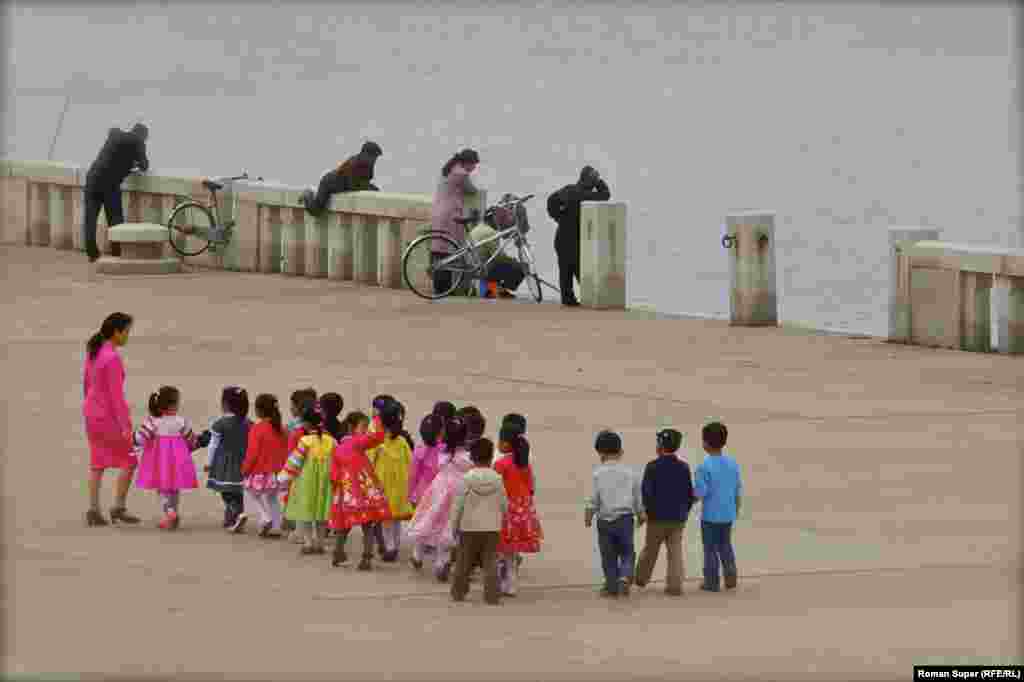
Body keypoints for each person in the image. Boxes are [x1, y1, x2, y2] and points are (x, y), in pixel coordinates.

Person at [82, 312, 140, 527]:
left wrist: (90, 407)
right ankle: (118, 507)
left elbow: (86, 383)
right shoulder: (112, 357)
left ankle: (93, 509)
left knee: (97, 463)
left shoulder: (94, 351)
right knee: (130, 460)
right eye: (126, 332)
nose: (127, 336)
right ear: (116, 332)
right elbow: (116, 397)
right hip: (108, 416)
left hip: (91, 413)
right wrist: (125, 425)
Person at [406, 416, 473, 582]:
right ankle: (441, 563)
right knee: (448, 528)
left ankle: (418, 554)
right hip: (457, 493)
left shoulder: (443, 453)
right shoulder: (466, 456)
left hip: (438, 490)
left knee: (428, 521)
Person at [585, 430, 645, 597]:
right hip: (625, 520)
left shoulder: (598, 474)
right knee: (627, 551)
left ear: (600, 453)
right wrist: (641, 513)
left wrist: (589, 514)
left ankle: (611, 586)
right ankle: (625, 576)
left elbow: (594, 498)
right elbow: (637, 497)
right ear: (621, 451)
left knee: (608, 556)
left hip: (605, 521)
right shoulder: (630, 473)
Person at [634, 429, 694, 596]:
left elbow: (646, 492)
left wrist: (645, 512)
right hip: (677, 518)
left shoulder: (652, 467)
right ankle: (675, 585)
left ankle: (641, 578)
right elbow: (689, 493)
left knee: (650, 549)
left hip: (656, 518)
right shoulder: (684, 467)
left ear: (660, 445)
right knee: (675, 552)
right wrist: (685, 511)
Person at [133, 386, 202, 530]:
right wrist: (199, 442)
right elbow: (192, 440)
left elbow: (140, 438)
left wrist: (132, 439)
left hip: (159, 462)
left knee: (162, 489)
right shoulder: (181, 421)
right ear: (172, 405)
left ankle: (169, 512)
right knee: (174, 489)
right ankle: (173, 513)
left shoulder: (153, 421)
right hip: (177, 462)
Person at [329, 411, 390, 570]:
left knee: (343, 526)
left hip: (345, 494)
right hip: (362, 494)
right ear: (352, 428)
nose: (365, 430)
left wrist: (340, 491)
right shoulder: (357, 443)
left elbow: (333, 475)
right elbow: (377, 437)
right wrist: (377, 418)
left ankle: (338, 553)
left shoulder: (337, 449)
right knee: (367, 525)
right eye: (363, 426)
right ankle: (366, 558)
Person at [450, 438, 508, 605]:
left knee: (463, 562)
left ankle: (458, 592)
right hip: (492, 528)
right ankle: (492, 595)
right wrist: (503, 519)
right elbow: (504, 503)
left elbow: (458, 505)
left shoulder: (466, 479)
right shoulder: (497, 479)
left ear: (472, 458)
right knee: (491, 562)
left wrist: (454, 526)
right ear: (490, 458)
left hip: (468, 527)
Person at [82, 124, 149, 262]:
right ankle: (116, 252)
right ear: (143, 135)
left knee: (90, 218)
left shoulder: (115, 135)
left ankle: (92, 253)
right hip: (110, 184)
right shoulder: (138, 141)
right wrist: (133, 163)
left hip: (93, 179)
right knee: (115, 219)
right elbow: (144, 166)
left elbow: (113, 134)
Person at [546, 166, 611, 306]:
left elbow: (551, 201)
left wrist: (559, 217)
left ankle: (568, 299)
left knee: (565, 271)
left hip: (561, 237)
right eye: (594, 179)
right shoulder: (588, 196)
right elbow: (605, 195)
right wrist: (599, 182)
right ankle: (590, 297)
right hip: (574, 240)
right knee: (582, 270)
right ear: (590, 181)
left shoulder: (569, 190)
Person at [278, 405, 336, 556]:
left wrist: (283, 477)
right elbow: (338, 461)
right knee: (322, 514)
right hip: (325, 484)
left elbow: (295, 462)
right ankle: (320, 543)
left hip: (306, 483)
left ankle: (309, 543)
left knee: (307, 513)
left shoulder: (305, 441)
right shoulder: (331, 441)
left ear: (306, 424)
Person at [693, 421, 743, 592]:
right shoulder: (732, 463)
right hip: (728, 513)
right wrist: (736, 507)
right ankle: (731, 577)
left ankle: (711, 581)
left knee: (710, 549)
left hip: (710, 516)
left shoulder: (704, 467)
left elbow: (700, 492)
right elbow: (737, 487)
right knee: (725, 545)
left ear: (705, 443)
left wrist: (689, 499)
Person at [494, 430, 543, 597]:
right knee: (512, 553)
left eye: (500, 441)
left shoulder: (501, 464)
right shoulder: (524, 464)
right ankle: (511, 583)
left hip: (507, 509)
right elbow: (530, 487)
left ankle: (503, 582)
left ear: (506, 444)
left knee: (502, 550)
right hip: (524, 509)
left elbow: (495, 487)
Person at [367, 401, 414, 562]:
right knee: (396, 517)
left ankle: (390, 546)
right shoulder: (402, 442)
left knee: (386, 518)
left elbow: (370, 462)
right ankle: (395, 545)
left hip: (382, 484)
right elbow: (410, 463)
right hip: (400, 485)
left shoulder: (377, 441)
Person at [431, 149, 481, 294]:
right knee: (448, 252)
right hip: (450, 214)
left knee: (439, 250)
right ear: (467, 162)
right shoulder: (461, 174)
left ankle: (439, 288)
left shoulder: (450, 169)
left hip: (439, 212)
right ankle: (444, 288)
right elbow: (472, 190)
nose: (474, 168)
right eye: (474, 164)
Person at [241, 394, 289, 538]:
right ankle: (276, 527)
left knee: (251, 492)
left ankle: (264, 517)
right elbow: (285, 450)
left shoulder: (257, 428)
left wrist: (245, 469)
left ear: (259, 410)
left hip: (259, 471)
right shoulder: (281, 429)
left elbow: (252, 453)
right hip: (277, 472)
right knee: (272, 498)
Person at [205, 386, 252, 533]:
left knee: (226, 491)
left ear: (225, 404)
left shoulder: (220, 423)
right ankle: (234, 517)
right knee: (238, 491)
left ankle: (235, 512)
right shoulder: (249, 423)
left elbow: (213, 444)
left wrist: (208, 462)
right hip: (243, 461)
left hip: (224, 463)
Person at [300, 141, 383, 216]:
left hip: (341, 184)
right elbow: (352, 186)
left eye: (375, 158)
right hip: (329, 183)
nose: (374, 160)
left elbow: (364, 182)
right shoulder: (353, 163)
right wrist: (368, 187)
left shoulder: (369, 166)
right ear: (365, 154)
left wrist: (370, 187)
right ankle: (307, 195)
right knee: (316, 210)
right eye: (373, 157)